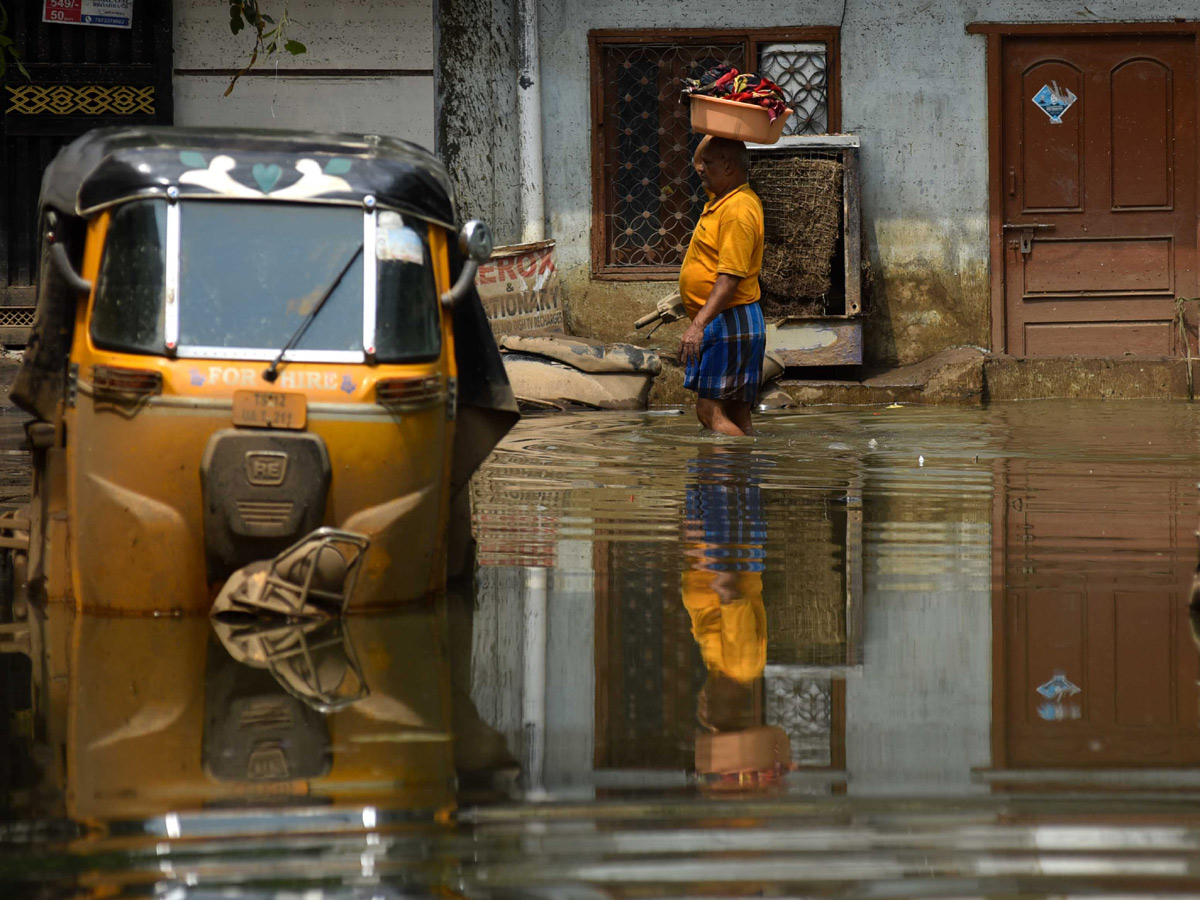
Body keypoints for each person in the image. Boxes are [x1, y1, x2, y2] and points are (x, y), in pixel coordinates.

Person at [678, 136, 766, 436]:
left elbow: (729, 278)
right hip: (736, 318)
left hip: (727, 318)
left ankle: (729, 472)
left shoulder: (737, 210)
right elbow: (698, 161)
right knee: (738, 414)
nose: (701, 169)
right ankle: (745, 476)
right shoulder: (725, 199)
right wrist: (712, 129)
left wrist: (697, 326)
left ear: (729, 166)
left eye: (710, 164)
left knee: (709, 413)